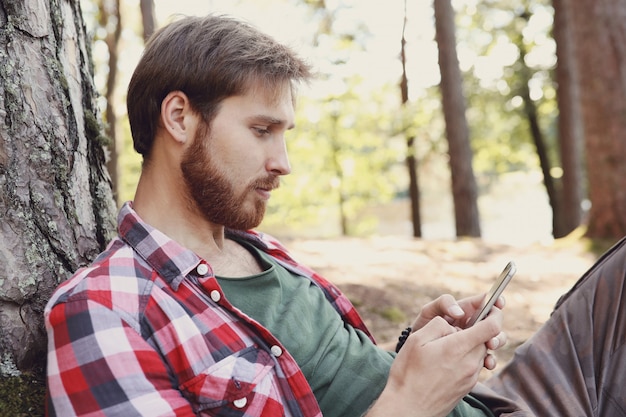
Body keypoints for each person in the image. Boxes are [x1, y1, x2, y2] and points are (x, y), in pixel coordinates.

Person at [44, 14, 626, 417]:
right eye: (262, 130)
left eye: (285, 134)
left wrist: (412, 355)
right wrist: (410, 404)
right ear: (178, 118)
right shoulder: (102, 310)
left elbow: (340, 384)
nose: (284, 163)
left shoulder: (260, 252)